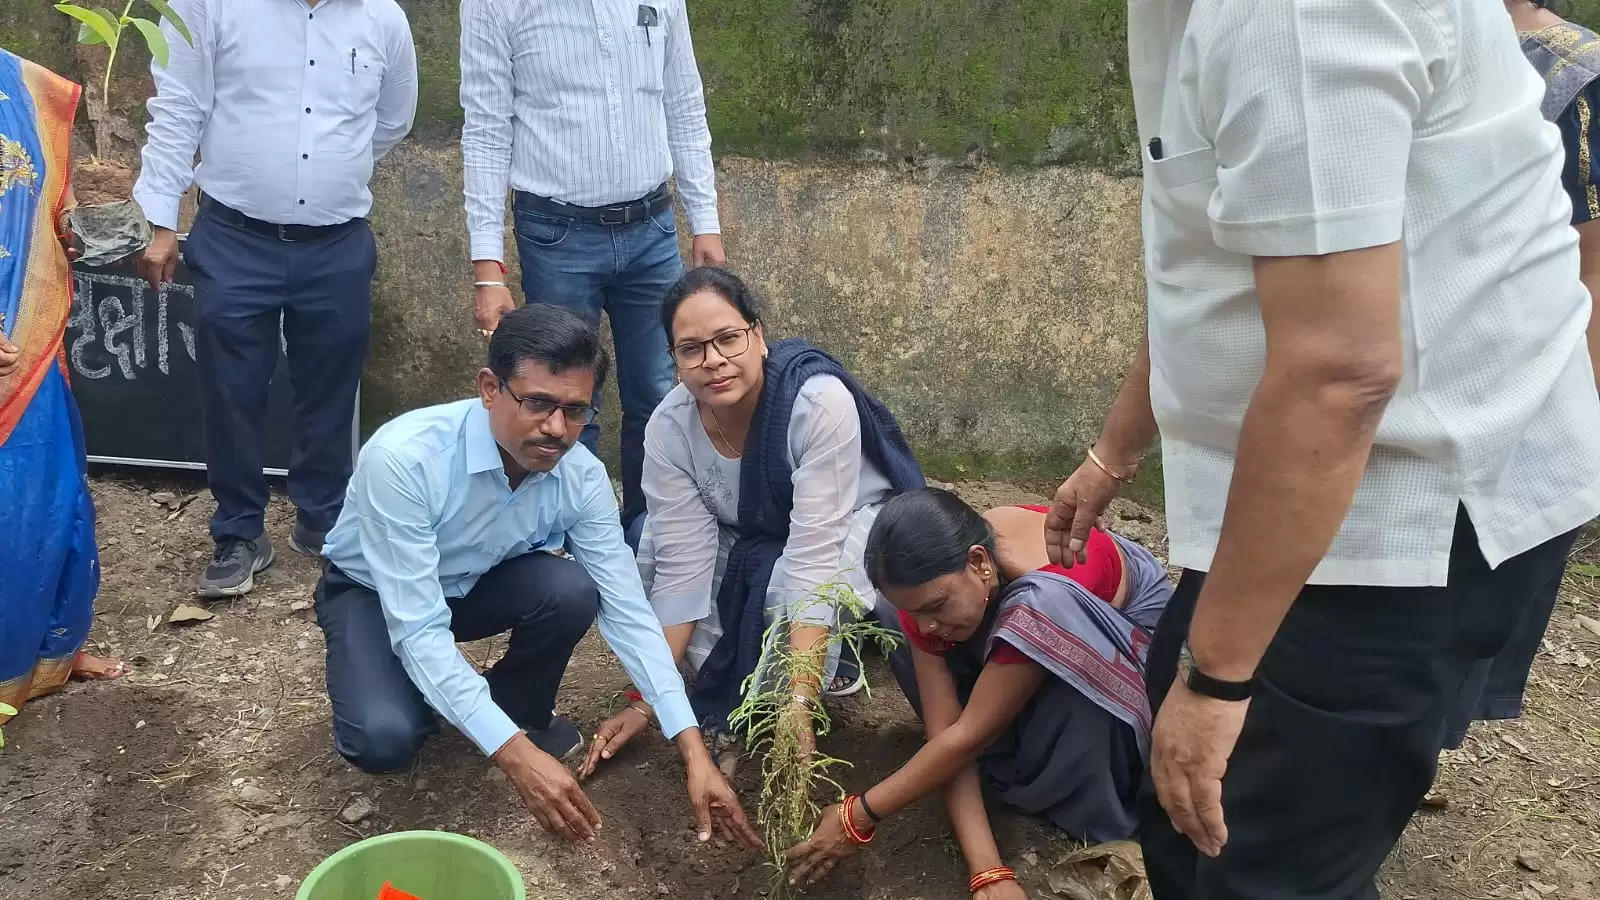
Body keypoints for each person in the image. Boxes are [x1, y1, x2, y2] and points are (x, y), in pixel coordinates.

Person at [1041, 2, 1600, 897]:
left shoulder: (1292, 15)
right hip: (1321, 486)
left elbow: (1338, 376)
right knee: (1192, 813)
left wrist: (1219, 684)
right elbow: (1228, 266)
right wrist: (1113, 455)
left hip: (1403, 513)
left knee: (1257, 859)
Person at [315, 303, 759, 847]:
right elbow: (418, 627)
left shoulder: (581, 476)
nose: (556, 429)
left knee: (572, 589)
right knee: (385, 740)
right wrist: (518, 759)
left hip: (477, 582)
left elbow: (626, 609)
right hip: (374, 591)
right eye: (538, 404)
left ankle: (511, 709)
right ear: (489, 388)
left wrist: (691, 746)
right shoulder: (405, 459)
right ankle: (445, 705)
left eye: (575, 411)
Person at [578, 267, 924, 771]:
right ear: (675, 361)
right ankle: (747, 680)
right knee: (650, 541)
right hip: (750, 532)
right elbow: (682, 571)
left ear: (758, 336)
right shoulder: (670, 429)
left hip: (847, 522)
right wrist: (646, 700)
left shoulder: (816, 405)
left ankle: (827, 660)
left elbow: (813, 557)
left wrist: (799, 707)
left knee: (795, 583)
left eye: (728, 339)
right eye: (691, 348)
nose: (713, 360)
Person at [132, 0, 418, 597]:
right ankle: (238, 530)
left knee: (331, 386)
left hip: (336, 242)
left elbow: (393, 120)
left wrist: (327, 175)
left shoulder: (384, 18)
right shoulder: (208, 5)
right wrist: (158, 214)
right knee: (231, 387)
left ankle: (324, 520)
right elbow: (178, 107)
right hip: (236, 235)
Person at [784, 489, 1172, 896]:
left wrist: (857, 816)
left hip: (1129, 663)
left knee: (1032, 623)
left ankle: (1076, 780)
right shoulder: (937, 585)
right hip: (1012, 647)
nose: (929, 626)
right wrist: (989, 871)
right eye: (921, 612)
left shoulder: (1047, 590)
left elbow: (968, 737)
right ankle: (1018, 732)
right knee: (894, 619)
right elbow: (947, 732)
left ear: (979, 562)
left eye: (936, 605)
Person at [460, 0, 726, 541]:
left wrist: (705, 221)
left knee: (658, 392)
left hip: (651, 226)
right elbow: (486, 129)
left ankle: (649, 530)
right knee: (567, 394)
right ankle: (576, 532)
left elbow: (683, 103)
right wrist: (488, 269)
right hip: (557, 233)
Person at [1443, 0, 1600, 752]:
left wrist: (1582, 411)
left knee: (1469, 597)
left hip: (1520, 379)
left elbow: (1592, 260)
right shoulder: (1410, 34)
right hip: (1409, 379)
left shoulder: (1575, 73)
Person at [0, 49, 128, 722]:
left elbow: (53, 200)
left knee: (47, 493)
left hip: (29, 337)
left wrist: (80, 220)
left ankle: (51, 650)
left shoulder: (26, 86)